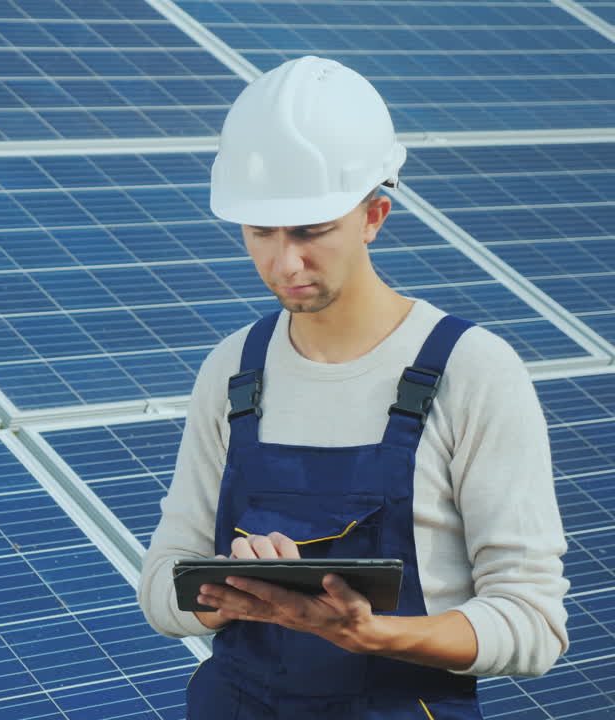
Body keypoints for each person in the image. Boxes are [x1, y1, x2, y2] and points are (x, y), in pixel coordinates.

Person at [137, 56, 569, 718]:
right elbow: (161, 588)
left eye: (311, 231)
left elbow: (533, 624)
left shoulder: (473, 370)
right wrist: (232, 583)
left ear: (374, 215)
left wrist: (369, 634)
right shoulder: (231, 370)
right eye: (260, 232)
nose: (285, 263)